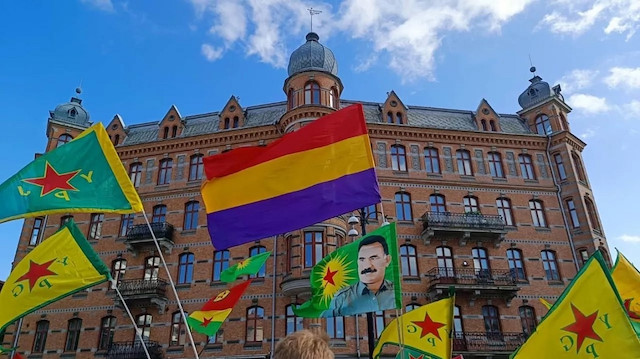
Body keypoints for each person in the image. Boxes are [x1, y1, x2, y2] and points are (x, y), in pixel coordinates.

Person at [323, 235, 395, 317]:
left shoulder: (395, 292)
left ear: (387, 260)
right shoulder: (341, 298)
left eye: (373, 258)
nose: (367, 266)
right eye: (362, 259)